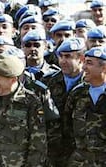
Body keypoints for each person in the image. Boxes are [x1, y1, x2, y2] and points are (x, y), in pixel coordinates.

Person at [42, 38, 86, 167]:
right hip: (53, 149)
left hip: (79, 152)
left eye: (68, 56)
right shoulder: (49, 81)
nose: (63, 61)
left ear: (81, 58)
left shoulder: (90, 84)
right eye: (60, 56)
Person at [65, 46, 106, 166]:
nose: (83, 67)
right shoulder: (78, 93)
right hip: (80, 162)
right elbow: (66, 126)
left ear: (104, 68)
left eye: (89, 63)